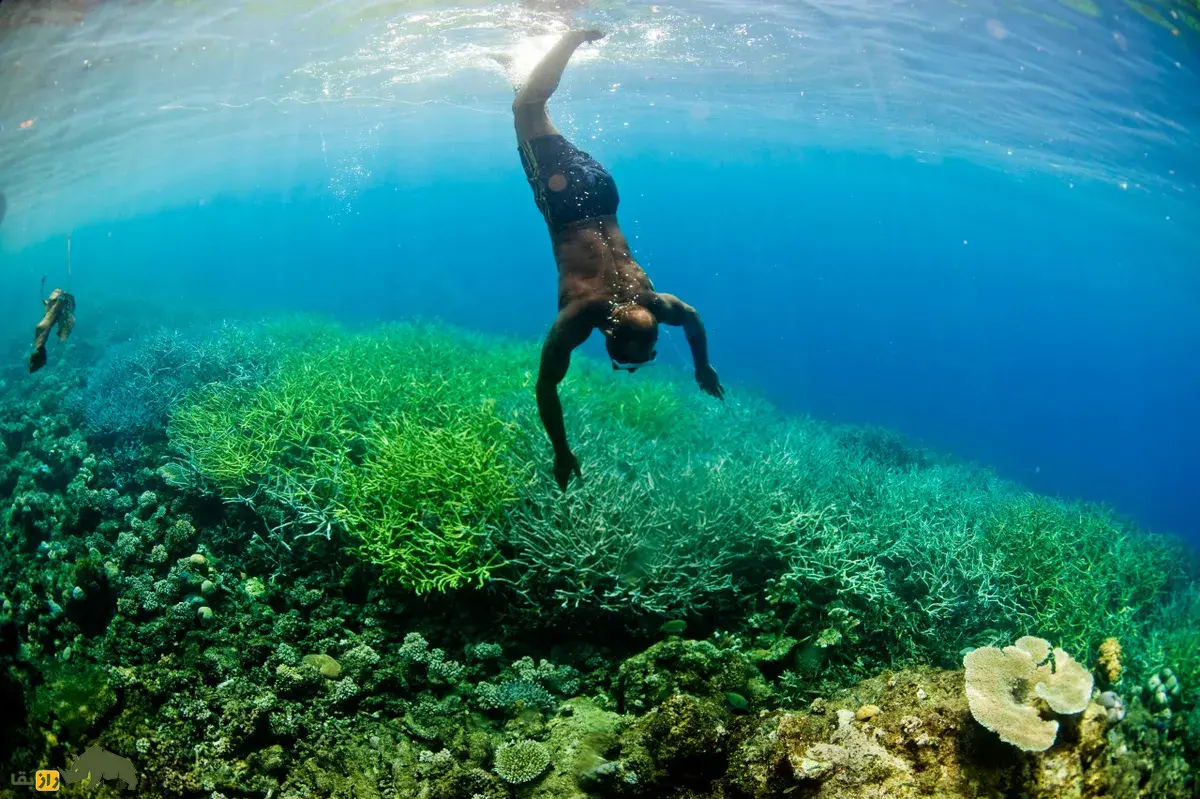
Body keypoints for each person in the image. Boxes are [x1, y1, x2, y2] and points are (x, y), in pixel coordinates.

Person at [510, 30, 724, 491]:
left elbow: (693, 319)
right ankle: (568, 39)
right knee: (526, 109)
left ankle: (521, 60)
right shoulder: (579, 316)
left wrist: (702, 365)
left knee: (535, 114)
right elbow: (546, 386)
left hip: (604, 193)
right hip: (565, 200)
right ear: (607, 335)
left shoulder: (655, 303)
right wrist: (561, 452)